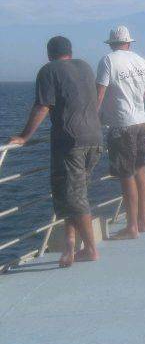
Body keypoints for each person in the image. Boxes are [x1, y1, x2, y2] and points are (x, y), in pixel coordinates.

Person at [9, 36, 102, 267]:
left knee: (75, 198)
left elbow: (42, 106)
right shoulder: (85, 67)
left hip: (71, 142)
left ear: (49, 53)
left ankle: (90, 250)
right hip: (95, 138)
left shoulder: (48, 71)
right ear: (70, 51)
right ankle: (70, 246)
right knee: (73, 194)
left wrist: (24, 136)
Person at [96, 26, 145, 239]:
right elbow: (143, 94)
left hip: (122, 124)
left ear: (111, 44)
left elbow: (99, 94)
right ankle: (143, 222)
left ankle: (131, 227)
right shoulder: (142, 62)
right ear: (129, 42)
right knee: (140, 171)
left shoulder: (108, 61)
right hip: (141, 121)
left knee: (126, 175)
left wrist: (93, 119)